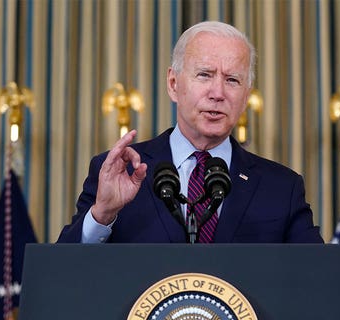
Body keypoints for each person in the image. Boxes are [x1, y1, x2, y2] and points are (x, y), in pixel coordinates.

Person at [57, 20, 323, 244]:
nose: (217, 93)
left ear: (246, 96)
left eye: (232, 80)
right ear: (173, 84)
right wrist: (102, 215)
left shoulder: (281, 187)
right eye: (204, 75)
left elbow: (315, 273)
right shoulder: (119, 172)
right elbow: (63, 273)